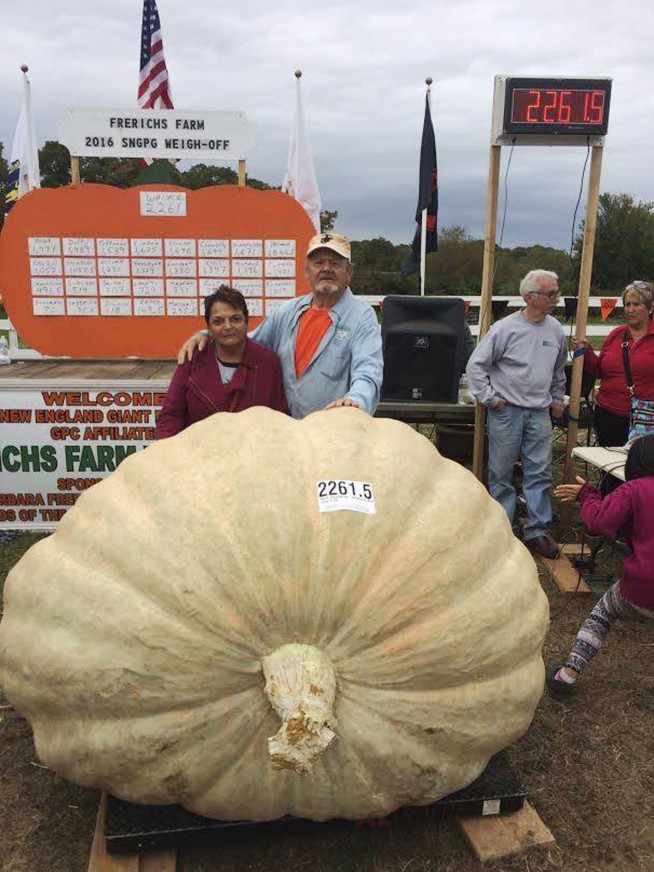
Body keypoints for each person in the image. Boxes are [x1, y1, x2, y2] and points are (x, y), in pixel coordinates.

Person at [178, 233, 383, 419]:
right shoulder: (288, 311)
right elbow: (249, 343)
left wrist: (356, 400)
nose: (326, 268)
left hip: (331, 435)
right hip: (284, 434)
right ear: (307, 271)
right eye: (318, 262)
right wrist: (208, 334)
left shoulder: (362, 316)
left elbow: (368, 371)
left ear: (349, 272)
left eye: (335, 263)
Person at [466, 269, 567, 559]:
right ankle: (503, 530)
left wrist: (557, 398)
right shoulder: (505, 329)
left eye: (556, 293)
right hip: (506, 411)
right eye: (550, 294)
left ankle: (537, 531)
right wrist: (489, 399)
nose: (556, 299)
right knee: (502, 472)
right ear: (529, 297)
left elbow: (559, 369)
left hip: (538, 412)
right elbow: (477, 365)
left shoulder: (556, 330)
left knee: (540, 472)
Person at [547, 435, 654, 698]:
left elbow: (597, 522)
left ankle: (567, 675)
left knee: (602, 615)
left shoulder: (634, 489)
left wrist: (589, 496)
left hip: (641, 587)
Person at [155, 286, 288, 439]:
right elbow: (171, 415)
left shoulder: (268, 362)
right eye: (218, 321)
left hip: (252, 458)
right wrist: (166, 455)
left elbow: (279, 419)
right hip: (199, 457)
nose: (228, 326)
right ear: (209, 327)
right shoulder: (192, 359)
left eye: (235, 319)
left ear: (247, 322)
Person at [574, 280, 654, 446]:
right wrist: (586, 351)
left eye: (636, 304)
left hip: (646, 420)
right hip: (608, 414)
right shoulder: (616, 335)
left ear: (650, 307)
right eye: (627, 304)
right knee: (609, 468)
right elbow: (599, 372)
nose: (630, 310)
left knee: (641, 469)